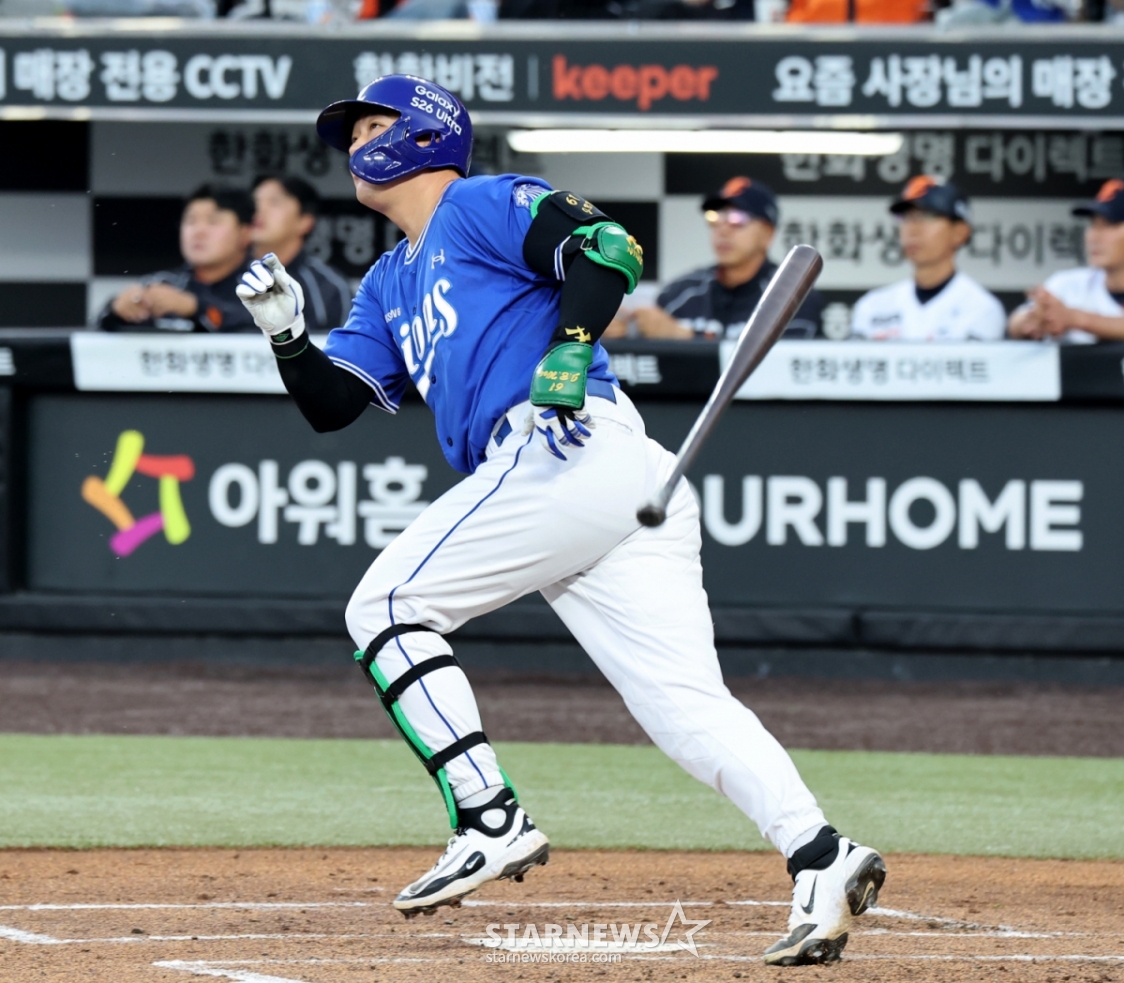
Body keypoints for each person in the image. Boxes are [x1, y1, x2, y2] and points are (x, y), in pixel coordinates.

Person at [236, 74, 884, 966]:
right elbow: (331, 405)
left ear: (426, 134)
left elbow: (608, 247)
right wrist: (286, 337)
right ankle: (823, 855)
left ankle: (488, 815)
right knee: (681, 702)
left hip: (563, 443)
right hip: (586, 481)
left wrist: (569, 353)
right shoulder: (388, 279)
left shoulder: (479, 202)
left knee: (383, 609)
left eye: (375, 123)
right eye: (352, 130)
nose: (356, 142)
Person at [611, 177, 824, 341]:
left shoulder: (794, 298)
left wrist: (685, 337)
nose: (722, 229)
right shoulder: (679, 294)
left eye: (737, 219)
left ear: (767, 234)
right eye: (715, 218)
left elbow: (782, 367)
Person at [1008, 179, 1124, 345]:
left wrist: (1074, 318)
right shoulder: (1068, 284)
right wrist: (1033, 320)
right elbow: (1015, 323)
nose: (1094, 236)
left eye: (1110, 225)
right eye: (1093, 224)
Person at [851, 176, 1005, 342]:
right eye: (906, 217)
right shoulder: (872, 306)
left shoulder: (982, 309)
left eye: (927, 216)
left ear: (960, 232)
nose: (912, 229)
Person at [98, 185, 256, 333]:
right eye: (191, 221)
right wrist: (118, 311)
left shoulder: (266, 285)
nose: (198, 231)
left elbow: (271, 329)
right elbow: (100, 329)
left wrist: (197, 309)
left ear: (245, 233)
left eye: (213, 222)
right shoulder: (163, 284)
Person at [251, 174, 353, 333]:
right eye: (255, 202)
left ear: (305, 221)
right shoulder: (226, 273)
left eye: (274, 202)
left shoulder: (328, 287)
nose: (258, 210)